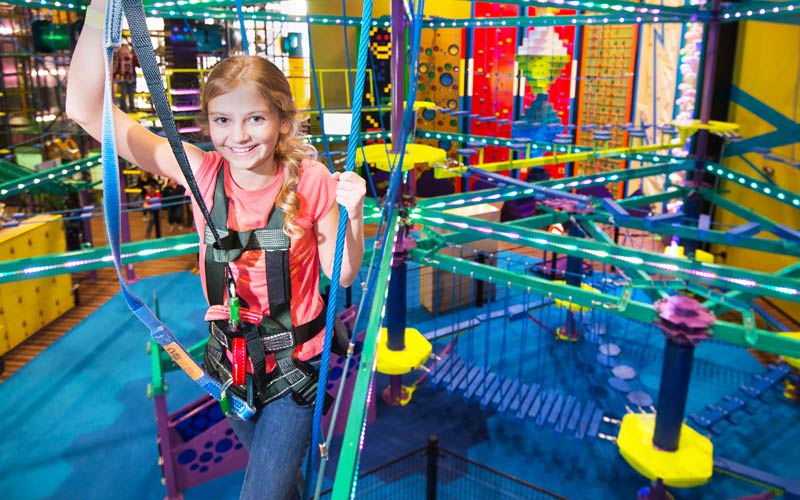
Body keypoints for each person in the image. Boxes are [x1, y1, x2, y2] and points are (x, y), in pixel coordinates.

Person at [66, 2, 366, 499]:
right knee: (281, 487)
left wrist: (353, 216)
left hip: (297, 369)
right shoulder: (202, 173)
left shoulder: (310, 181)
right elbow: (83, 107)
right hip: (228, 363)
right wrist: (103, 8)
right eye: (222, 120)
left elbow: (346, 274)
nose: (238, 136)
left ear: (283, 122)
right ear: (208, 124)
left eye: (255, 118)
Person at [113, 43, 138, 112]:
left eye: (125, 49)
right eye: (122, 49)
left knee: (131, 95)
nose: (124, 51)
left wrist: (132, 57)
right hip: (122, 80)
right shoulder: (119, 59)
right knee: (123, 94)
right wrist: (113, 76)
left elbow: (138, 64)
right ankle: (123, 109)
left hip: (131, 80)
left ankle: (132, 108)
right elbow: (116, 69)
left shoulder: (132, 58)